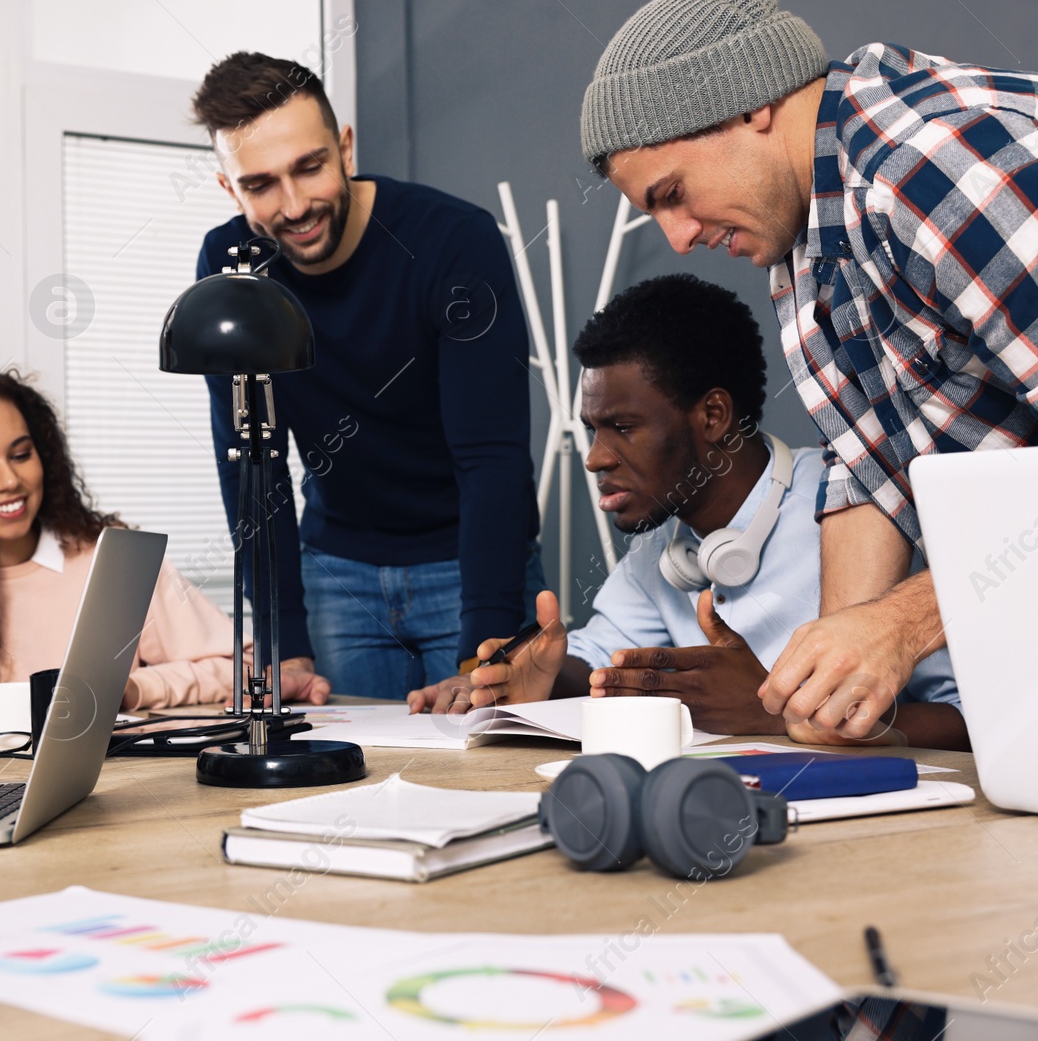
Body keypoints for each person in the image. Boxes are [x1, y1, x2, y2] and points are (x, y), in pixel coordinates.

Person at [577, 0, 1038, 741]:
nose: (677, 238)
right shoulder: (801, 246)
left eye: (673, 194)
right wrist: (830, 688)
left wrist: (902, 624)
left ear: (748, 105)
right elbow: (871, 473)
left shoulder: (929, 171)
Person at [408, 275, 965, 749]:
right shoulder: (660, 553)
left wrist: (775, 715)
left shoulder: (864, 508)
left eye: (623, 427)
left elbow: (975, 716)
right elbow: (601, 660)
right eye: (592, 430)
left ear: (714, 415)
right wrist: (544, 679)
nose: (597, 457)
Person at [191, 52, 545, 702]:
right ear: (229, 190)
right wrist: (282, 638)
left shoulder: (454, 242)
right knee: (344, 788)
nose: (295, 205)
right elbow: (250, 462)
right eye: (261, 185)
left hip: (470, 561)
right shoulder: (230, 263)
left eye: (310, 167)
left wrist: (484, 650)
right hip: (337, 571)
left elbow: (491, 458)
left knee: (482, 772)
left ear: (345, 146)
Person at [0, 368, 331, 724]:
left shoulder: (111, 560)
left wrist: (134, 689)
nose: (10, 480)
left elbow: (243, 670)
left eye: (21, 454)